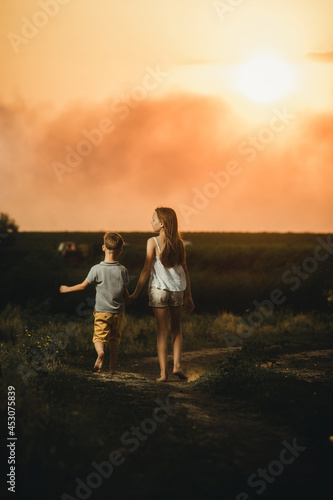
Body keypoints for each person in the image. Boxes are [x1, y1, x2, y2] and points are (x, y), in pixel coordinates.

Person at [129, 207, 194, 382]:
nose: (151, 222)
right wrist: (189, 296)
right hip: (177, 291)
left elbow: (146, 269)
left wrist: (135, 293)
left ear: (162, 223)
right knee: (177, 330)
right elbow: (185, 271)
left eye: (153, 219)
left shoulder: (152, 242)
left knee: (162, 332)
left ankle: (163, 373)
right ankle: (177, 366)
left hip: (158, 290)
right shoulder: (179, 244)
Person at [59, 232, 129, 374]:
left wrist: (67, 289)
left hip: (102, 311)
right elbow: (124, 292)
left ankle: (101, 353)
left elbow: (83, 286)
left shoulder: (96, 269)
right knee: (115, 340)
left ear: (103, 248)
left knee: (98, 337)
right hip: (118, 312)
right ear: (120, 251)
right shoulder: (123, 270)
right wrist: (130, 298)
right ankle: (113, 368)